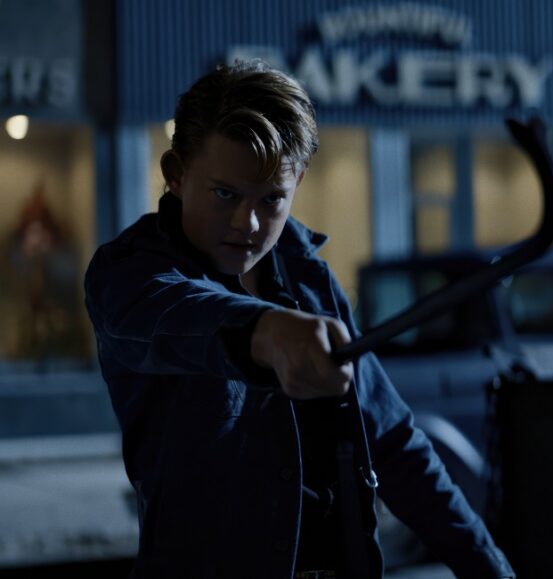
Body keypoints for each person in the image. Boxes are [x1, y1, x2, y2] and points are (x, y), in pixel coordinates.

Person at [84, 61, 514, 578]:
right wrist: (267, 332)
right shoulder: (130, 273)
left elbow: (395, 443)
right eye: (224, 194)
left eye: (271, 199)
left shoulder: (310, 279)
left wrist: (492, 569)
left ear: (299, 181)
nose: (248, 223)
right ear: (176, 173)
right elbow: (182, 314)